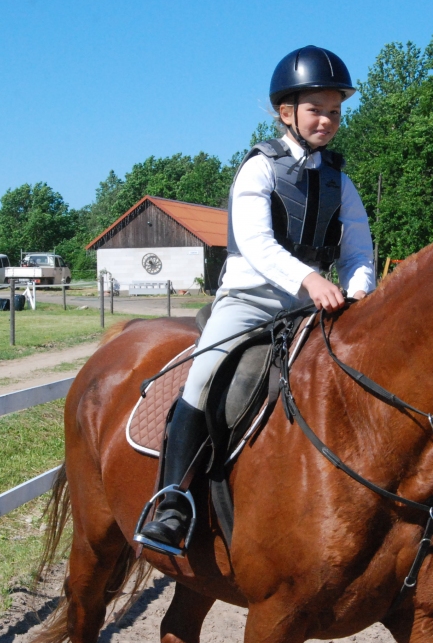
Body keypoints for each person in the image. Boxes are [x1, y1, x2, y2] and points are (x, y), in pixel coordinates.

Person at [138, 46, 376, 553]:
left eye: (335, 111)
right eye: (316, 109)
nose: (327, 120)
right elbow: (257, 244)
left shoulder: (341, 180)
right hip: (251, 301)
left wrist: (358, 295)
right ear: (285, 111)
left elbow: (359, 252)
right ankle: (173, 502)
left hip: (316, 307)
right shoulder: (259, 168)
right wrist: (311, 280)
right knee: (203, 378)